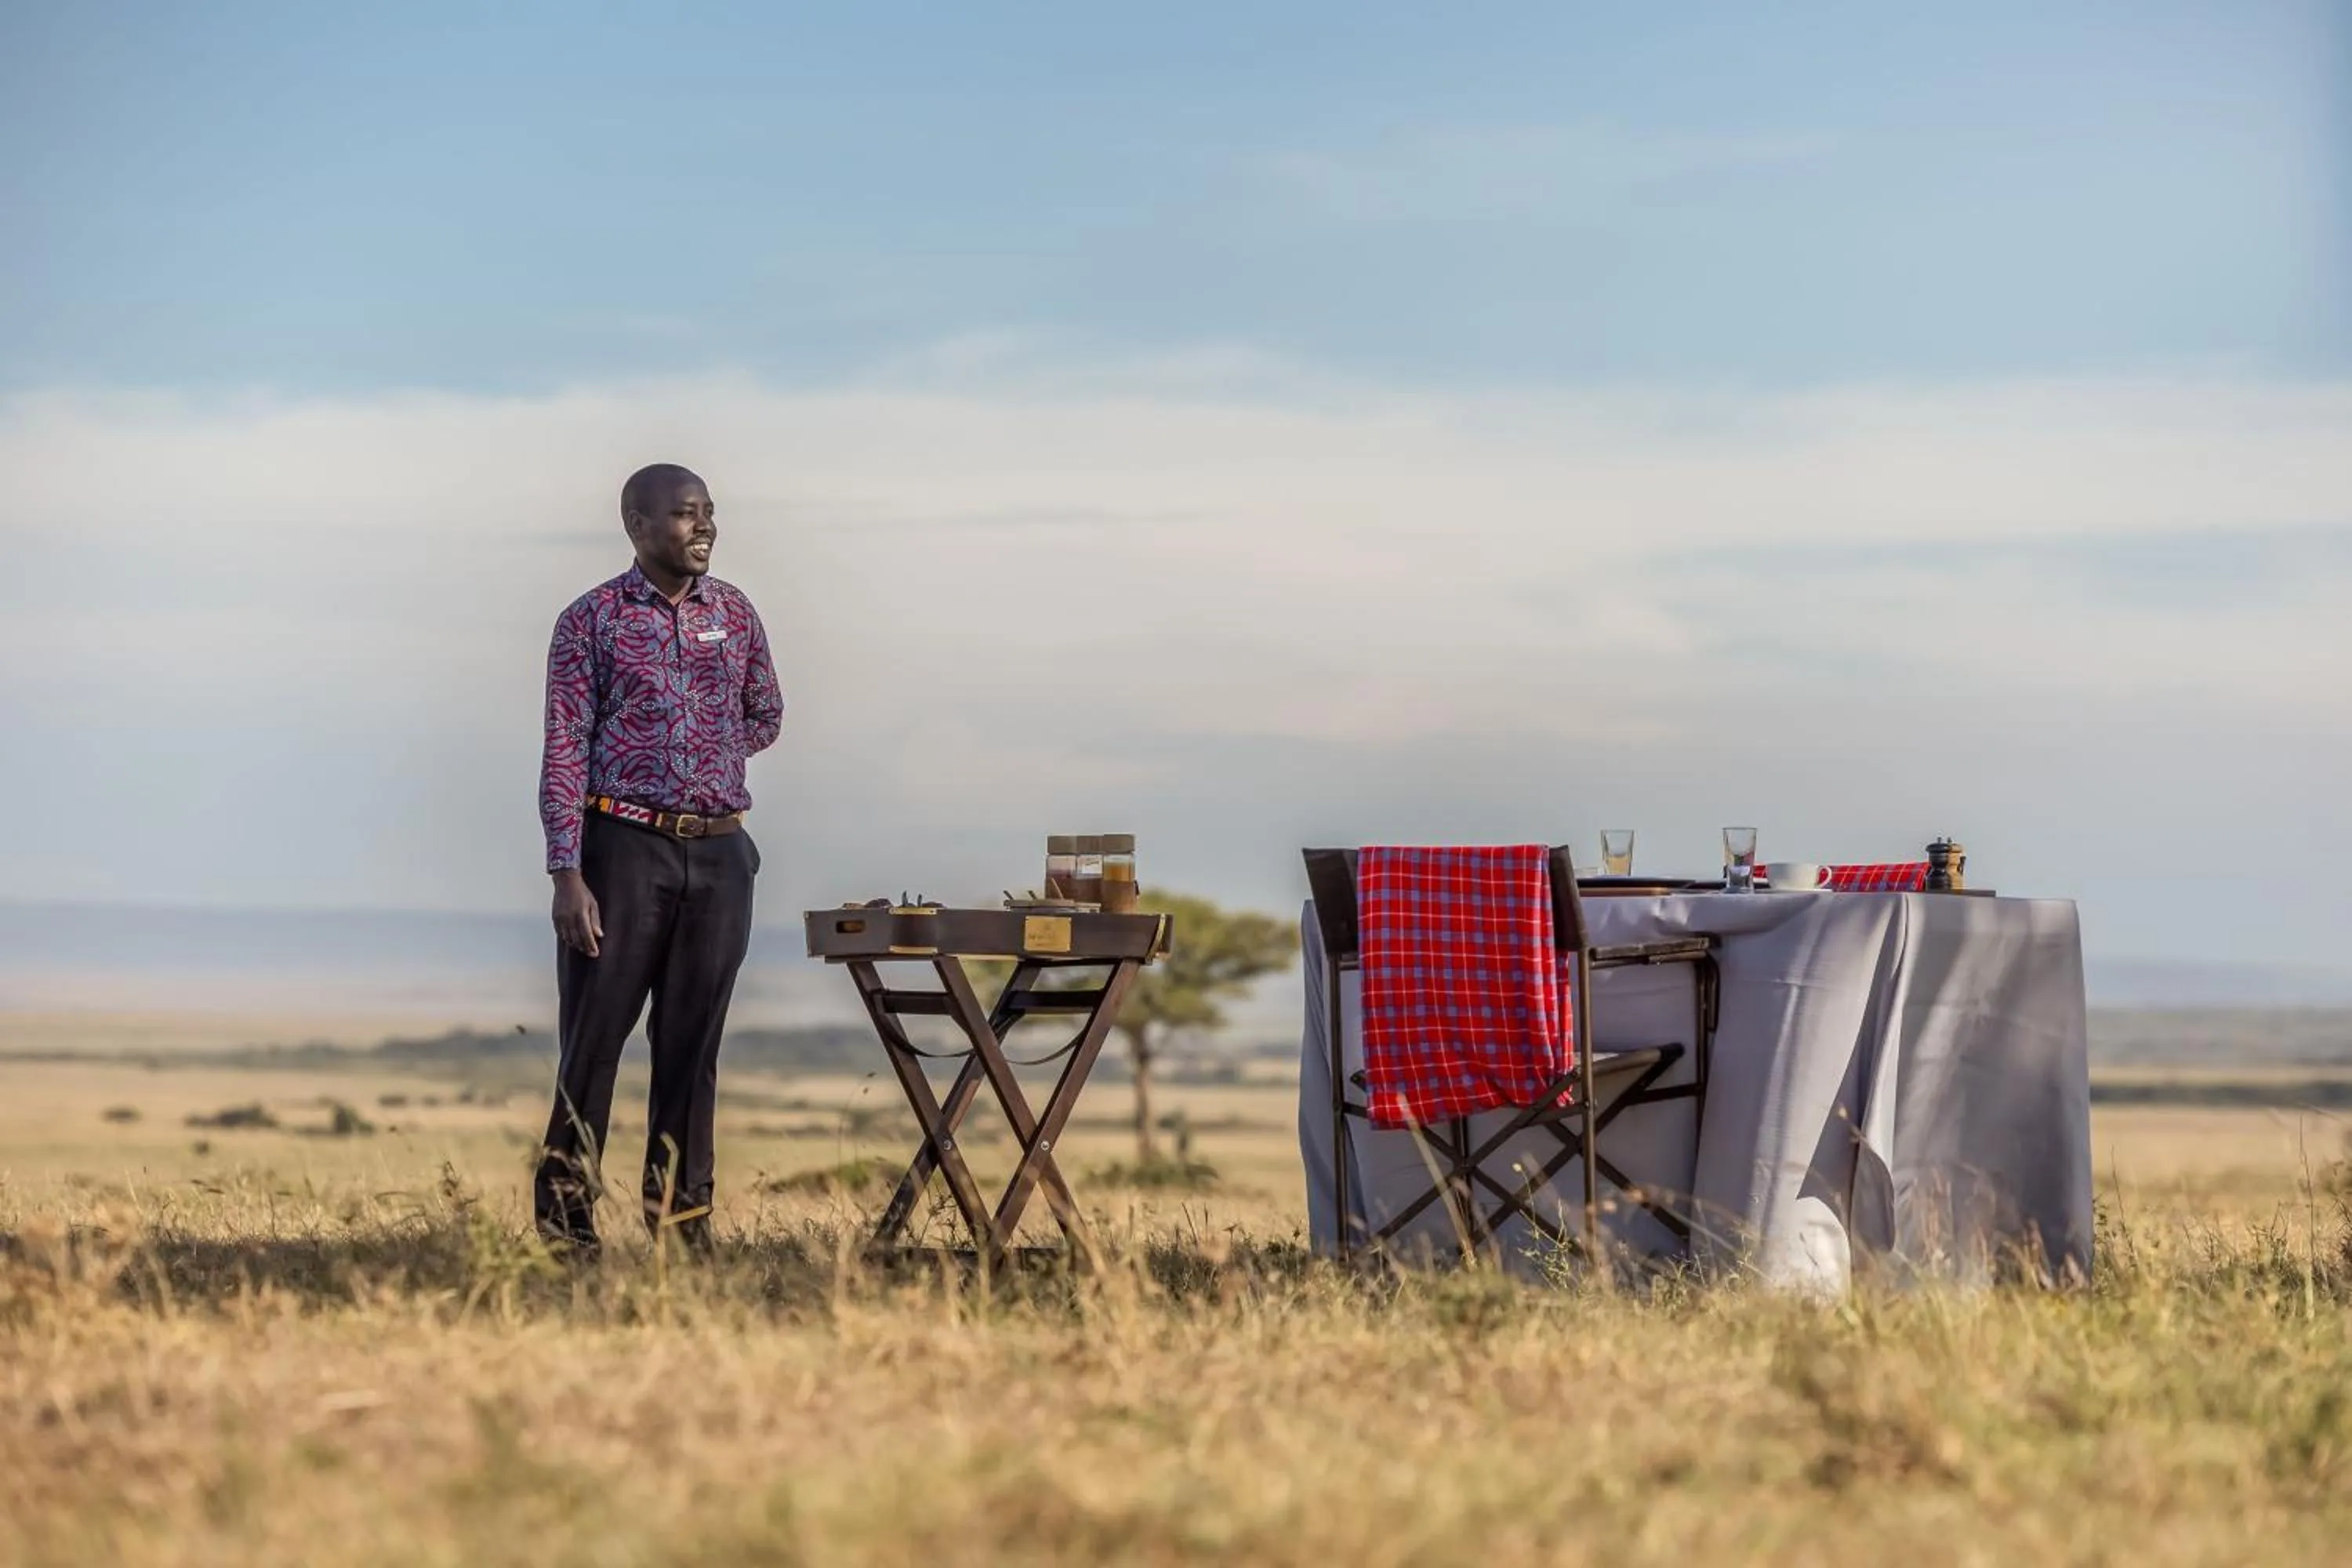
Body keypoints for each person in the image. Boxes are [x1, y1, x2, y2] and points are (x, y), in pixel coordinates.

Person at [532, 463, 784, 1254]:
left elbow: (766, 712)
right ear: (638, 526)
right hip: (621, 852)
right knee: (595, 1042)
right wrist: (566, 870)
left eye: (709, 512)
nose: (703, 526)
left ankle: (681, 1225)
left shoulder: (735, 613)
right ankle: (566, 1229)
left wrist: (701, 757)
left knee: (692, 1045)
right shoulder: (592, 620)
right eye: (684, 514)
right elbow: (566, 744)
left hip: (718, 856)